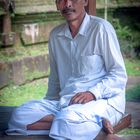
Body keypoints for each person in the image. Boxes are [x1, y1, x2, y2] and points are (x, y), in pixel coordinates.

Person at [6, 0, 127, 139]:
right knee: (20, 115)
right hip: (67, 103)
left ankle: (77, 123)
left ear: (85, 1)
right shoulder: (56, 35)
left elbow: (118, 75)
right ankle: (93, 128)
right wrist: (48, 105)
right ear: (57, 4)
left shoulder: (101, 28)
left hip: (103, 101)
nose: (68, 4)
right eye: (62, 0)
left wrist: (93, 93)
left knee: (68, 117)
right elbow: (55, 78)